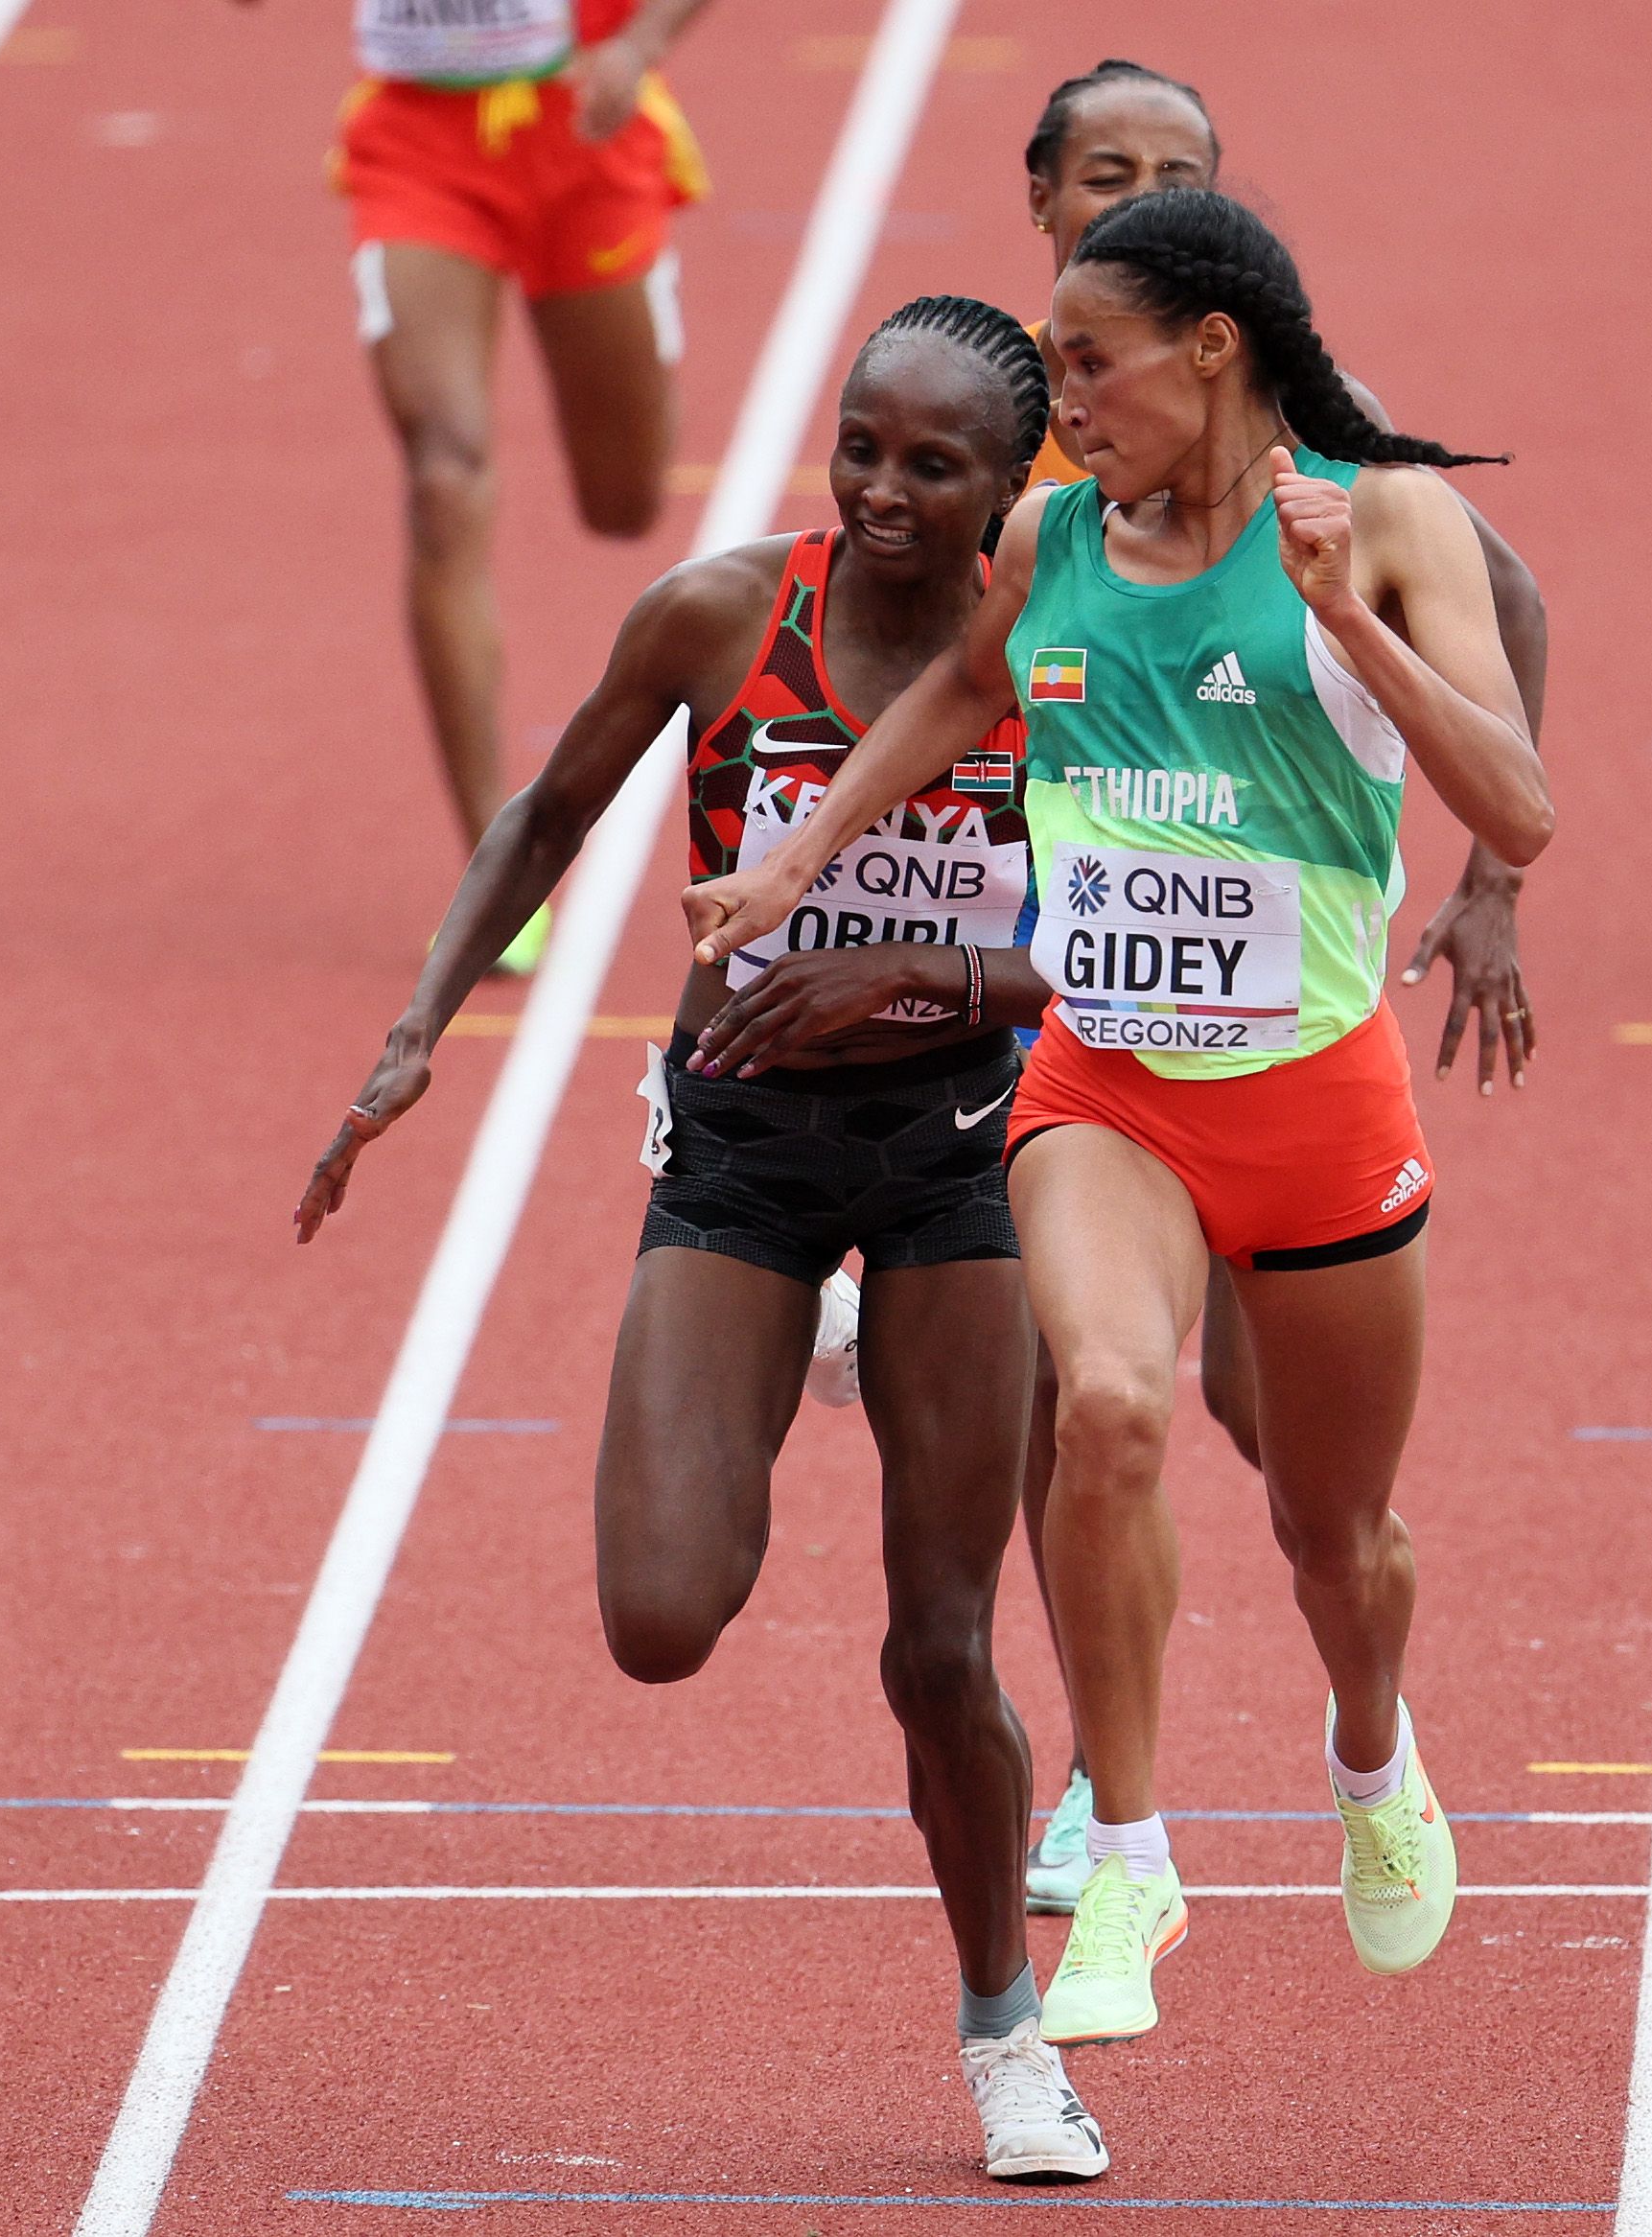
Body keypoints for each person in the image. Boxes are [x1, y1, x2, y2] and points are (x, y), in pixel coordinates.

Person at [683, 188, 1554, 2045]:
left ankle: (1370, 1752)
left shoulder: (1383, 516)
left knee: (1339, 1539)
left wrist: (1346, 625)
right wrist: (801, 865)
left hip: (1315, 1099)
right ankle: (1139, 1850)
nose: (1057, 397)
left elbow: (1521, 803)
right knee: (1106, 1402)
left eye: (1087, 360)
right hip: (1105, 1085)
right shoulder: (1047, 535)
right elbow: (957, 692)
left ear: (1209, 348)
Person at [293, 298, 1110, 2181]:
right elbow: (547, 806)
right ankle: (807, 1334)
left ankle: (1007, 2030)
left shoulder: (1059, 660)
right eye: (860, 449)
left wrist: (918, 968)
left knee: (936, 1640)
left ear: (1009, 487)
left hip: (964, 1149)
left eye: (933, 465)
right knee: (660, 1615)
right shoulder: (720, 614)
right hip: (743, 1138)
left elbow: (1131, 928)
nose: (883, 491)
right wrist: (421, 1026)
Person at [990, 55, 1561, 1915]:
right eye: (1100, 169)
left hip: (1293, 1042)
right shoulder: (989, 417)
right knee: (1091, 1399)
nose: (1122, 193)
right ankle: (1108, 1791)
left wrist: (1484, 889)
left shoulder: (1322, 451)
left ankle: (1365, 1732)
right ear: (1041, 197)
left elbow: (1500, 612)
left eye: (1169, 173)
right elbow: (913, 657)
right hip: (1064, 1017)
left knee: (1303, 1485)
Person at [237, 0, 717, 971]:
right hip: (420, 145)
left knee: (623, 499)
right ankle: (496, 872)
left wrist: (640, 44)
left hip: (585, 120)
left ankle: (648, 317)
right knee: (444, 474)